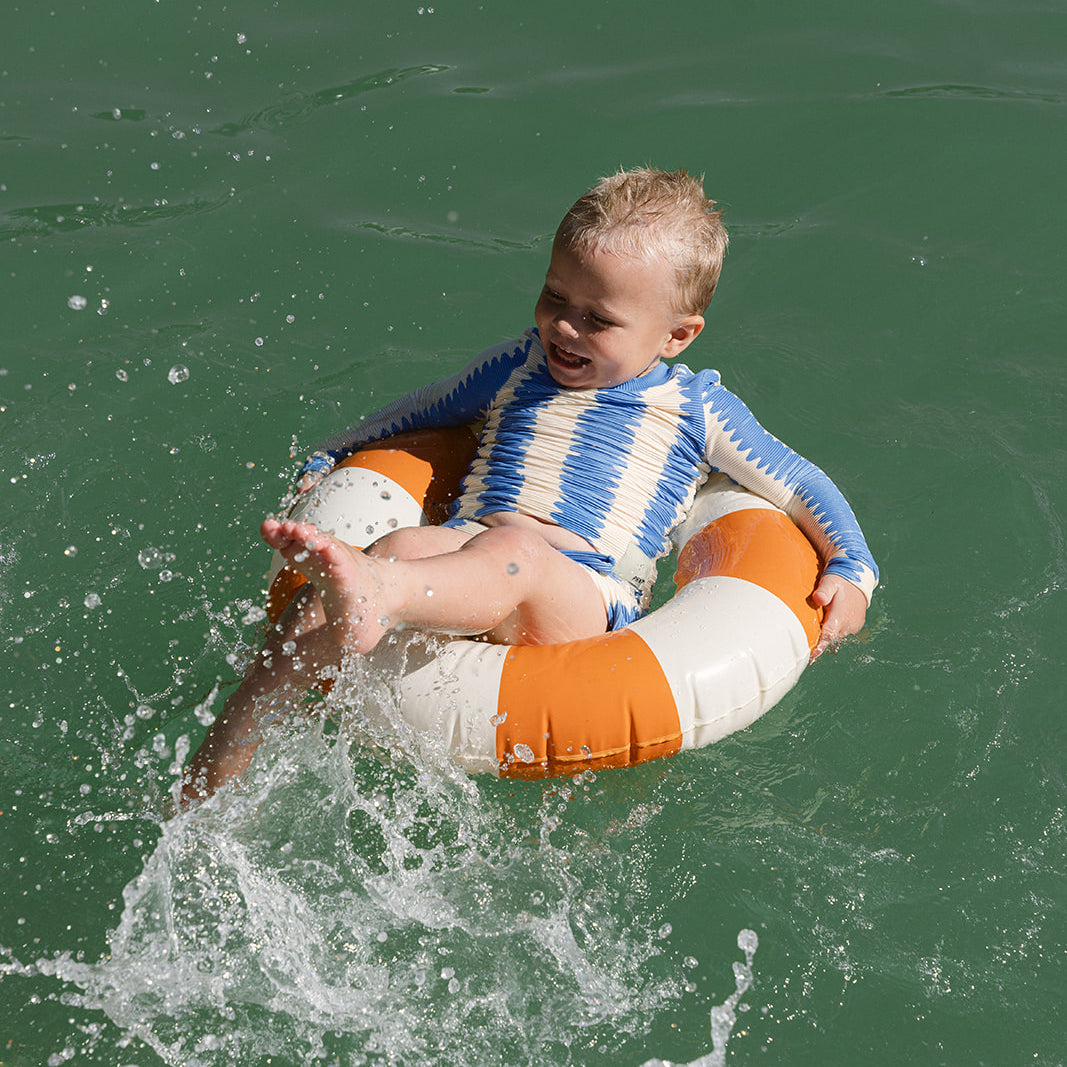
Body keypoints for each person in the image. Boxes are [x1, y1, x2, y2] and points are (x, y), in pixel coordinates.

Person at [180, 167, 877, 805]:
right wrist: (337, 450)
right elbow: (429, 407)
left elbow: (796, 482)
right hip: (468, 550)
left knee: (510, 554)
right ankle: (204, 788)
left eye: (598, 319)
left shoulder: (695, 408)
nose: (563, 325)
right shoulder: (519, 364)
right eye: (553, 295)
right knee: (390, 548)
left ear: (677, 334)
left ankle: (379, 592)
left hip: (576, 590)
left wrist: (851, 567)